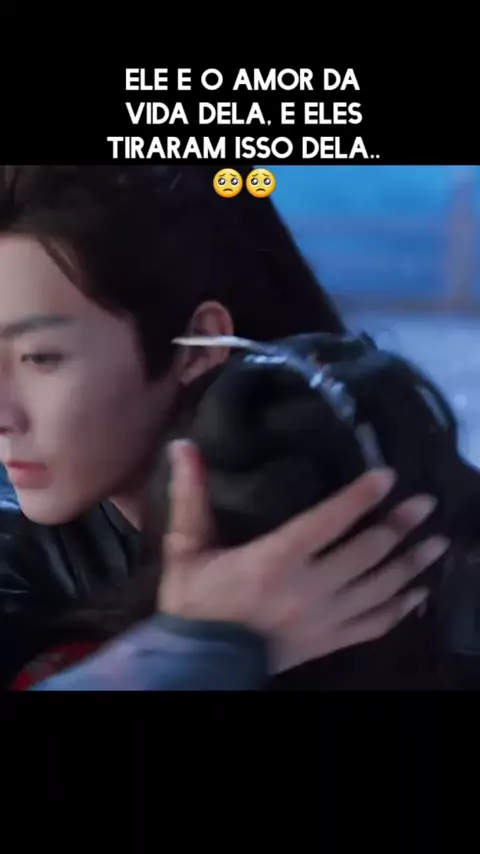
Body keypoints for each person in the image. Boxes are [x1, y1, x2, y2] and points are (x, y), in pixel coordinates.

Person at [0, 165, 460, 689]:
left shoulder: (436, 569)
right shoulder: (26, 565)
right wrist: (197, 650)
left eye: (40, 358)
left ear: (198, 343)